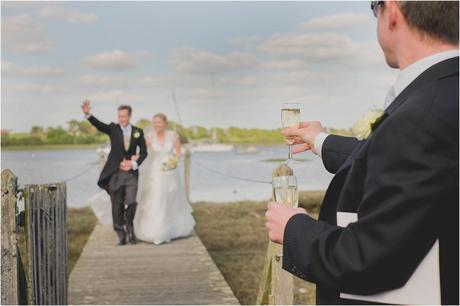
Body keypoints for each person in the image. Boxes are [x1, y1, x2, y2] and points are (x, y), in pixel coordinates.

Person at [265, 1, 458, 304]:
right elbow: (413, 167)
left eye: (374, 8)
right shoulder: (447, 91)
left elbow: (370, 260)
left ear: (392, 12)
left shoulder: (422, 115)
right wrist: (321, 140)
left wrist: (294, 229)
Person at [82, 100, 148, 245]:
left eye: (123, 116)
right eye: (119, 116)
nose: (121, 119)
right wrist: (88, 114)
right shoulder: (113, 129)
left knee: (131, 202)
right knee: (116, 204)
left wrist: (134, 163)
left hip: (131, 174)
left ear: (129, 116)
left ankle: (129, 227)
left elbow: (144, 152)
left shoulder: (138, 132)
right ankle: (120, 233)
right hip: (114, 174)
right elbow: (99, 125)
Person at [133, 113, 195, 245]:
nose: (157, 125)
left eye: (159, 122)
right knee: (157, 196)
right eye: (155, 122)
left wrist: (174, 161)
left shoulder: (173, 135)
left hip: (170, 170)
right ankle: (157, 232)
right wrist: (134, 157)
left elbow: (178, 152)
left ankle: (173, 229)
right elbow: (143, 151)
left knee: (171, 196)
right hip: (155, 171)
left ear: (165, 123)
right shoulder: (150, 136)